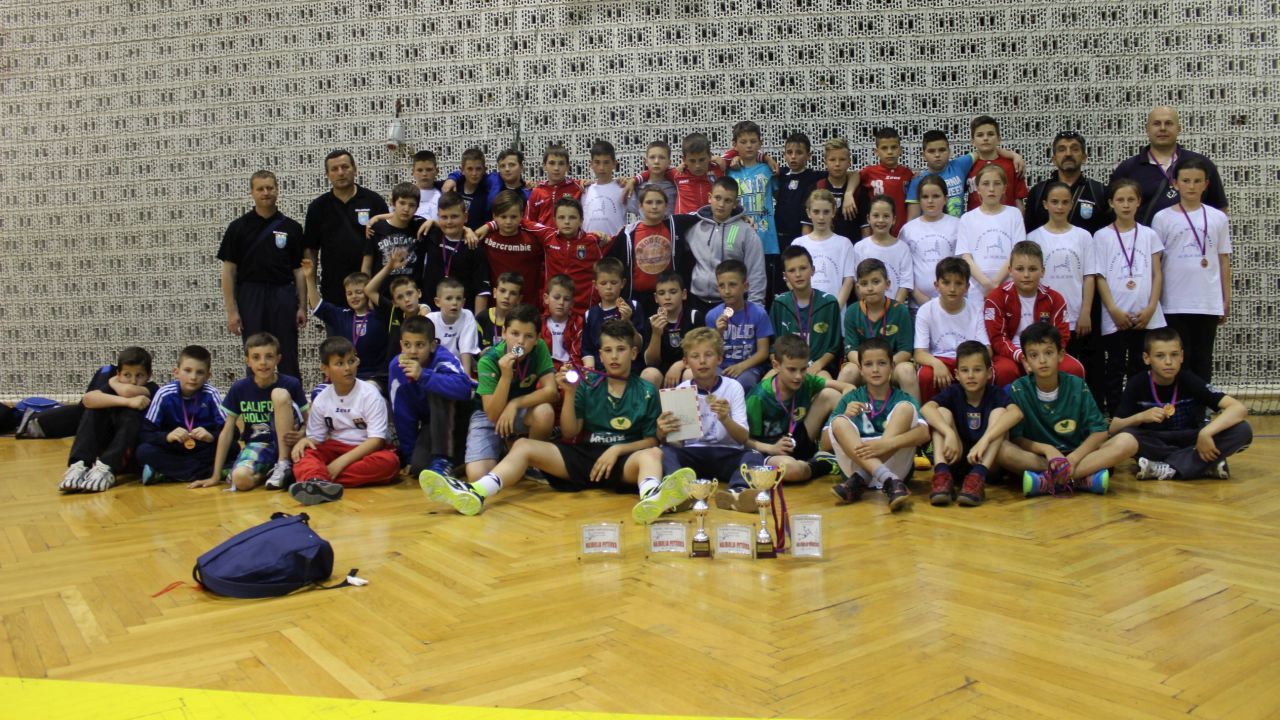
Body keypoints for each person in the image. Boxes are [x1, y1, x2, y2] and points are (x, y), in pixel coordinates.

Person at [421, 319, 660, 515]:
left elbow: (651, 440)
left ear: (633, 352)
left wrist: (616, 450)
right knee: (523, 446)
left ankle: (651, 498)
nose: (614, 356)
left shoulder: (647, 391)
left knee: (653, 454)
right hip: (587, 457)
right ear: (600, 355)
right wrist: (570, 393)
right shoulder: (588, 384)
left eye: (621, 349)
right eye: (608, 350)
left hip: (624, 461)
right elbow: (570, 432)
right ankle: (477, 492)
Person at [986, 323, 1132, 497]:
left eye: (1048, 353)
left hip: (1078, 455)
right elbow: (1017, 438)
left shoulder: (1077, 385)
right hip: (1040, 458)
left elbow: (1100, 432)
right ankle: (1079, 478)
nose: (1042, 360)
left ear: (1061, 355)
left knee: (1128, 442)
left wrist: (1073, 459)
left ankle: (1049, 480)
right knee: (1001, 449)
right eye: (1034, 355)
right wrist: (1047, 449)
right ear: (1026, 361)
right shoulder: (1019, 389)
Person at [627, 327, 755, 519]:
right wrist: (662, 432)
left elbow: (743, 438)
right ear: (686, 362)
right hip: (693, 454)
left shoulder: (733, 387)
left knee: (753, 456)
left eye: (708, 355)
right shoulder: (681, 390)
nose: (702, 361)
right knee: (665, 452)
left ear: (719, 359)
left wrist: (725, 419)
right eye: (695, 356)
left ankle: (737, 493)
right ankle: (678, 494)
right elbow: (675, 441)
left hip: (727, 453)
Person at [1108, 327, 1251, 481]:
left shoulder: (1189, 379)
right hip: (1155, 442)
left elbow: (1238, 408)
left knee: (1242, 430)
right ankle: (1202, 465)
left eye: (1174, 355)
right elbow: (1114, 427)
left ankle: (1164, 468)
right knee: (1126, 435)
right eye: (1160, 356)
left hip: (1191, 440)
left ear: (1182, 356)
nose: (1168, 362)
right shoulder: (1137, 383)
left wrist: (1206, 433)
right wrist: (1140, 417)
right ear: (1147, 358)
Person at [289, 337, 400, 505]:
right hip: (335, 448)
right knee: (304, 454)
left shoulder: (370, 395)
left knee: (390, 463)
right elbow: (316, 439)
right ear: (325, 369)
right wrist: (305, 440)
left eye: (351, 361)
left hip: (366, 450)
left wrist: (339, 464)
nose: (348, 368)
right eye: (340, 364)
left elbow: (376, 441)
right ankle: (317, 481)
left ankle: (317, 480)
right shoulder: (322, 399)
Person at [191, 333, 308, 492]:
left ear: (278, 359)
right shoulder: (239, 388)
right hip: (259, 444)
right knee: (240, 479)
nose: (263, 362)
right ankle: (270, 473)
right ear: (248, 361)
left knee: (279, 394)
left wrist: (302, 434)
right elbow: (227, 431)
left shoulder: (291, 383)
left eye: (269, 356)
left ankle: (283, 464)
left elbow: (308, 421)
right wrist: (215, 475)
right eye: (256, 357)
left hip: (288, 443)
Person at [218, 170, 306, 378]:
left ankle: (291, 395)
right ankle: (254, 395)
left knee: (287, 352)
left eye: (270, 188)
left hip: (283, 293)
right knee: (255, 351)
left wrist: (302, 306)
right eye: (260, 189)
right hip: (251, 294)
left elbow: (299, 270)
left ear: (277, 190)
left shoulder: (292, 227)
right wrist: (232, 311)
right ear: (252, 193)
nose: (265, 193)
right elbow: (229, 272)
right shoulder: (238, 228)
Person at [826, 338, 930, 511]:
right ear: (860, 369)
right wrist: (846, 416)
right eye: (868, 364)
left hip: (894, 466)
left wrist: (887, 444)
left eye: (881, 363)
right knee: (838, 421)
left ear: (892, 366)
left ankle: (863, 478)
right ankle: (888, 480)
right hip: (855, 462)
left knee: (905, 408)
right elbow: (825, 444)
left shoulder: (904, 398)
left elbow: (924, 434)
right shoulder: (850, 398)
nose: (875, 370)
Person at [1153, 157, 1231, 384]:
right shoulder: (1162, 218)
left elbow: (1223, 259)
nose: (1191, 186)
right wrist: (1155, 300)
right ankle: (1179, 402)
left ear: (1206, 184)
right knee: (1177, 360)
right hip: (1174, 302)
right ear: (1175, 183)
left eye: (1197, 181)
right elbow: (1156, 263)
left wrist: (1226, 299)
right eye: (1186, 180)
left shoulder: (1218, 218)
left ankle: (1202, 404)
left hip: (1207, 301)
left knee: (1203, 358)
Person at [1094, 178, 1166, 415]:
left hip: (1145, 315)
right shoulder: (1102, 236)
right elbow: (1099, 277)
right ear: (1111, 203)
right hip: (1116, 316)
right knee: (1115, 366)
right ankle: (1116, 414)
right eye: (1120, 200)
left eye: (1130, 200)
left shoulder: (1149, 235)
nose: (1125, 205)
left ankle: (1140, 412)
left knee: (1141, 366)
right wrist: (1113, 310)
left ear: (1139, 202)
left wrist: (1151, 308)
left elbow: (1157, 274)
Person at [462, 303, 558, 482]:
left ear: (537, 338)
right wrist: (506, 377)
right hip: (487, 415)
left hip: (519, 410)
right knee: (477, 476)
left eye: (528, 336)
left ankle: (532, 464)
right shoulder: (489, 360)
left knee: (544, 412)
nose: (520, 341)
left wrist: (514, 404)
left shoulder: (539, 348)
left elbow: (552, 392)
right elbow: (492, 414)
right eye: (515, 333)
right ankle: (506, 448)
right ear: (504, 333)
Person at [742, 334, 849, 492]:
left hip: (797, 439)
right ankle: (822, 464)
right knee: (793, 470)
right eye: (792, 369)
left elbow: (846, 387)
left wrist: (849, 396)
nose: (798, 376)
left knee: (832, 396)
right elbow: (744, 441)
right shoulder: (758, 398)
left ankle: (828, 451)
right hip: (770, 451)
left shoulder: (806, 381)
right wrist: (771, 448)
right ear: (776, 365)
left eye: (803, 369)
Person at [919, 342, 1013, 507]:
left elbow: (1016, 413)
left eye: (977, 370)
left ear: (989, 373)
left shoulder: (995, 394)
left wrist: (985, 440)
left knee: (1001, 413)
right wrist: (948, 433)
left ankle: (978, 476)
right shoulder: (953, 392)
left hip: (988, 463)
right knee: (941, 412)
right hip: (957, 458)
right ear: (956, 374)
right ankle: (942, 474)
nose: (970, 376)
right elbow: (926, 409)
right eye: (964, 370)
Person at [304, 150, 389, 326]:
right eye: (334, 169)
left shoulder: (374, 201)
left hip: (370, 288)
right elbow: (311, 250)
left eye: (345, 167)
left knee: (371, 339)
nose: (341, 172)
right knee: (337, 341)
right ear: (327, 174)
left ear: (355, 169)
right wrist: (311, 288)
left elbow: (385, 245)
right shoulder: (318, 207)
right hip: (334, 290)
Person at [984, 240, 1085, 385]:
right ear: (1010, 270)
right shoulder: (996, 297)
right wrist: (1022, 356)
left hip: (1045, 352)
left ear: (1042, 271)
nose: (1026, 275)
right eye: (1020, 269)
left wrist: (1042, 356)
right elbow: (997, 339)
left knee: (1074, 369)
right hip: (1010, 355)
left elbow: (1061, 336)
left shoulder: (1055, 299)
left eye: (1032, 269)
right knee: (1004, 371)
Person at [59, 347, 159, 493]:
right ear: (118, 374)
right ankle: (80, 464)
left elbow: (129, 391)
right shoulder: (115, 386)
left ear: (149, 375)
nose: (133, 381)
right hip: (107, 446)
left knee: (132, 413)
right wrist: (127, 401)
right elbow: (88, 400)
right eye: (127, 375)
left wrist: (115, 382)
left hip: (131, 452)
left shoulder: (152, 388)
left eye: (139, 375)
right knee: (93, 410)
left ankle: (107, 467)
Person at [1109, 106, 1229, 226]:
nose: (1162, 128)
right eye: (1156, 124)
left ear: (1178, 129)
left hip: (1192, 236)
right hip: (1145, 237)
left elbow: (1219, 208)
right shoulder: (1128, 169)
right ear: (1147, 129)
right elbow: (1113, 212)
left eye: (1168, 123)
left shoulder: (1201, 164)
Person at [389, 315, 476, 479]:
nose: (413, 351)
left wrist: (423, 376)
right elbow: (402, 415)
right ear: (401, 345)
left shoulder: (443, 359)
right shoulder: (397, 367)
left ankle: (443, 459)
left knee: (438, 387)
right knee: (419, 467)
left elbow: (465, 389)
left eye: (420, 345)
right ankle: (457, 462)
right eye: (407, 345)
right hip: (433, 425)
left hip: (461, 418)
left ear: (432, 345)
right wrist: (409, 456)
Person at [1027, 181, 1099, 370]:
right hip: (1044, 315)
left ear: (1071, 205)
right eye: (1054, 202)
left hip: (1075, 314)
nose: (1059, 207)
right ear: (1045, 204)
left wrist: (1085, 312)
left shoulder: (1083, 236)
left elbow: (1089, 276)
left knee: (1072, 367)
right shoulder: (1033, 238)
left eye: (1065, 202)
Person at [135, 346, 230, 484]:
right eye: (187, 370)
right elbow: (145, 433)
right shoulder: (164, 394)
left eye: (200, 372)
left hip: (203, 447)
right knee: (143, 451)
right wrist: (167, 436)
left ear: (208, 376)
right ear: (176, 372)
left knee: (233, 447)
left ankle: (169, 474)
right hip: (175, 448)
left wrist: (212, 436)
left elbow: (232, 432)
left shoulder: (212, 394)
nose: (193, 377)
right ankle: (209, 472)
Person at [673, 176, 767, 315]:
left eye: (728, 200)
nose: (721, 204)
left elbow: (756, 273)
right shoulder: (694, 228)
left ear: (735, 203)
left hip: (731, 303)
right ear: (709, 198)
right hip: (696, 302)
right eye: (717, 198)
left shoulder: (746, 232)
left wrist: (755, 310)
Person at [914, 258, 991, 403]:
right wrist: (936, 364)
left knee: (987, 370)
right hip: (940, 359)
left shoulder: (976, 310)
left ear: (967, 287)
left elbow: (986, 349)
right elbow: (919, 353)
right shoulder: (925, 311)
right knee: (926, 375)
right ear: (936, 285)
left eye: (959, 283)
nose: (952, 289)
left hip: (968, 360)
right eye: (946, 282)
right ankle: (929, 415)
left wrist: (967, 367)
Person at [304, 262, 388, 388]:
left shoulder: (381, 317)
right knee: (319, 391)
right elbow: (317, 305)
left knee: (367, 390)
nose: (354, 296)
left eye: (359, 292)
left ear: (368, 293)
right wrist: (309, 278)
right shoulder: (342, 315)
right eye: (349, 293)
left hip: (373, 377)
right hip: (345, 375)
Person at [839, 259, 917, 396]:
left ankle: (914, 409)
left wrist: (883, 367)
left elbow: (905, 351)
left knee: (907, 370)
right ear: (858, 287)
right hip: (863, 367)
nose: (870, 288)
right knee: (848, 371)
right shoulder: (852, 311)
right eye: (864, 283)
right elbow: (851, 350)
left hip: (892, 366)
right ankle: (839, 409)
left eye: (876, 282)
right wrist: (868, 367)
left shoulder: (900, 310)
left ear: (887, 284)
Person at [956, 164, 1026, 307]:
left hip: (1008, 284)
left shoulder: (1014, 214)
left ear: (1004, 188)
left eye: (997, 184)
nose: (992, 189)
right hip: (978, 287)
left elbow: (1017, 252)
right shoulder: (967, 218)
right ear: (978, 188)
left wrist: (996, 283)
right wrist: (986, 284)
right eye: (986, 184)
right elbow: (966, 256)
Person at [726, 120, 781, 296]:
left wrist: (767, 158)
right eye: (743, 142)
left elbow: (780, 197)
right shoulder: (729, 172)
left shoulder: (768, 170)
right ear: (735, 145)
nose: (749, 146)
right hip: (735, 239)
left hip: (766, 241)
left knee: (765, 292)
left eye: (753, 141)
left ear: (760, 143)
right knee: (737, 292)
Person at [770, 246, 842, 378]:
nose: (798, 274)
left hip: (819, 368)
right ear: (785, 276)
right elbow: (773, 346)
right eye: (792, 270)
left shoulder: (829, 303)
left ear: (813, 270)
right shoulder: (779, 304)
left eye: (803, 268)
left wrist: (818, 365)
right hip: (786, 368)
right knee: (762, 387)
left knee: (829, 388)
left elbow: (834, 347)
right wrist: (782, 368)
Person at [474, 190, 551, 308]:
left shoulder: (533, 239)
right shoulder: (486, 237)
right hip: (495, 308)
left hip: (527, 307)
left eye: (513, 217)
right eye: (503, 217)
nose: (508, 222)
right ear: (494, 216)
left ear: (522, 215)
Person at [1025, 131, 1113, 234]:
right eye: (1062, 149)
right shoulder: (1038, 192)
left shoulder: (1099, 192)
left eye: (1075, 149)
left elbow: (1109, 233)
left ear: (1084, 157)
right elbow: (1029, 232)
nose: (1068, 154)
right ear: (1054, 159)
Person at [418, 191, 491, 314]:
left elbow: (482, 290)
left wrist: (478, 322)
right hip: (431, 312)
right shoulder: (431, 234)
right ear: (438, 216)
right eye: (444, 217)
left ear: (465, 217)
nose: (449, 222)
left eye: (454, 217)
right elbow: (399, 219)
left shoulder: (473, 246)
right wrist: (432, 222)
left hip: (462, 315)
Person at [706, 259, 773, 391]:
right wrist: (718, 333)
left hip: (749, 367)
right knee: (712, 380)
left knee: (745, 382)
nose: (727, 291)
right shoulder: (712, 316)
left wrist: (741, 366)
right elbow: (709, 351)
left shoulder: (759, 314)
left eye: (732, 285)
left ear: (745, 286)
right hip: (720, 366)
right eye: (721, 286)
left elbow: (763, 352)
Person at [610, 185, 677, 316]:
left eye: (659, 202)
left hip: (666, 297)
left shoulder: (675, 227)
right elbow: (613, 261)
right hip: (637, 297)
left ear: (666, 205)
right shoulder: (628, 233)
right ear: (640, 206)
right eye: (649, 202)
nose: (654, 206)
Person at [544, 197, 613, 317]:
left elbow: (616, 241)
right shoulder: (547, 238)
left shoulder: (594, 241)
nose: (567, 222)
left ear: (581, 220)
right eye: (561, 217)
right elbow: (523, 222)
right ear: (554, 220)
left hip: (585, 312)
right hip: (554, 310)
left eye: (572, 217)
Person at [898, 174, 959, 307]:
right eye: (925, 197)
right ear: (919, 200)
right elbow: (903, 268)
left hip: (952, 303)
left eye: (936, 196)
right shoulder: (908, 230)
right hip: (917, 304)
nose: (930, 201)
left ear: (945, 199)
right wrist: (917, 295)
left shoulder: (958, 225)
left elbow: (963, 264)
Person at [582, 257, 648, 371]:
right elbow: (587, 349)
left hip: (631, 370)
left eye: (613, 283)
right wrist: (590, 370)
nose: (608, 287)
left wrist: (627, 321)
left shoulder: (633, 306)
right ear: (595, 285)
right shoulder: (590, 315)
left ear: (622, 283)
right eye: (603, 283)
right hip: (601, 372)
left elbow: (639, 345)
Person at [792, 189, 855, 306]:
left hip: (835, 311)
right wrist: (804, 307)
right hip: (806, 311)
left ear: (833, 212)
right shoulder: (798, 243)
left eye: (826, 212)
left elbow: (848, 280)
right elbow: (791, 279)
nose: (821, 217)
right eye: (816, 212)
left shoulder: (844, 244)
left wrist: (835, 309)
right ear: (808, 212)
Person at [848, 127, 914, 236]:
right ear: (876, 152)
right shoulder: (870, 172)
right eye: (884, 148)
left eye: (894, 147)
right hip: (877, 232)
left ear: (900, 150)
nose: (889, 152)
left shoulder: (907, 173)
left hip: (902, 233)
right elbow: (855, 176)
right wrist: (848, 193)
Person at [364, 250, 430, 359]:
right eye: (400, 297)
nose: (406, 299)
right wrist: (389, 267)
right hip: (392, 367)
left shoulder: (428, 316)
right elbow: (368, 290)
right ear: (395, 302)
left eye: (409, 293)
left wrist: (424, 308)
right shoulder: (393, 311)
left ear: (419, 293)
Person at [641, 271, 700, 389]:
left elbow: (700, 353)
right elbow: (651, 362)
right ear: (656, 298)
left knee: (691, 373)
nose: (667, 297)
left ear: (684, 294)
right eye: (661, 293)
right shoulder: (652, 321)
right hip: (661, 372)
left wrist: (679, 365)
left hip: (687, 366)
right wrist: (656, 334)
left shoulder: (694, 316)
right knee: (649, 374)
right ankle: (653, 402)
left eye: (673, 292)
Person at [852, 195, 912, 303]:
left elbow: (905, 283)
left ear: (893, 219)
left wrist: (894, 308)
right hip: (868, 307)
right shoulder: (860, 247)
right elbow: (857, 282)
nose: (881, 220)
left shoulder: (902, 248)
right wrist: (868, 307)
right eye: (876, 215)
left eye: (886, 216)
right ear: (868, 219)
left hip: (894, 309)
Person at [361, 182, 425, 280]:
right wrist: (366, 288)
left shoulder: (420, 226)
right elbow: (367, 266)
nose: (406, 209)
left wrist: (433, 222)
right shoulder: (376, 228)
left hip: (412, 288)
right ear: (393, 203)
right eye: (402, 203)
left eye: (412, 205)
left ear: (417, 208)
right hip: (382, 288)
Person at [965, 115, 1028, 212]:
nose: (985, 138)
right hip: (976, 220)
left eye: (990, 134)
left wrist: (1021, 220)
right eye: (980, 135)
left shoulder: (1012, 165)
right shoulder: (966, 166)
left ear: (999, 139)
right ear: (972, 141)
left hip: (1006, 219)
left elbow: (1018, 201)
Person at [774, 132, 825, 249]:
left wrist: (849, 193)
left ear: (808, 155)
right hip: (779, 235)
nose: (793, 156)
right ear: (784, 155)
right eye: (789, 152)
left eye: (799, 152)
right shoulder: (780, 174)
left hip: (801, 234)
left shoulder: (813, 176)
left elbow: (851, 175)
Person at [809, 137, 862, 240]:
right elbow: (808, 224)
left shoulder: (858, 190)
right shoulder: (816, 188)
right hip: (823, 246)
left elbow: (865, 226)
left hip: (852, 245)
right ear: (825, 163)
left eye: (842, 159)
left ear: (849, 162)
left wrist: (849, 194)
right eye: (832, 160)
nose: (837, 164)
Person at [428, 277, 481, 376]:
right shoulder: (430, 319)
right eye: (449, 298)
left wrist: (466, 378)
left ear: (463, 302)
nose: (454, 303)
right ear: (437, 302)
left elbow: (466, 348)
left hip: (460, 370)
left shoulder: (467, 316)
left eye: (458, 298)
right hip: (435, 370)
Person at [525, 145, 582, 226]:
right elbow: (529, 222)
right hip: (543, 234)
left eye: (561, 163)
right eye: (552, 163)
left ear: (567, 167)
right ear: (544, 166)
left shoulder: (578, 187)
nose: (556, 168)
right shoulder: (537, 191)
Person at [580, 139, 627, 237]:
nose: (601, 167)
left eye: (606, 162)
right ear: (591, 164)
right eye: (597, 162)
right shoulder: (584, 191)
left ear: (614, 164)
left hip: (615, 244)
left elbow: (642, 209)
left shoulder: (622, 189)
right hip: (590, 244)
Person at [540, 274, 583, 371]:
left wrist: (570, 368)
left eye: (566, 299)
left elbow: (576, 354)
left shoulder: (577, 323)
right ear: (546, 298)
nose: (561, 303)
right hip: (545, 369)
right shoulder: (539, 322)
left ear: (572, 303)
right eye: (556, 297)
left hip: (569, 369)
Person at [477, 272, 524, 353]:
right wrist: (480, 354)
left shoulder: (522, 322)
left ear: (519, 299)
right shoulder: (482, 318)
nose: (506, 296)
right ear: (495, 293)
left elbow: (522, 352)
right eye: (502, 291)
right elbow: (473, 351)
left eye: (513, 293)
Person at [411, 149, 442, 221]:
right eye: (420, 170)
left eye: (429, 170)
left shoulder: (444, 192)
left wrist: (453, 178)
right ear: (413, 172)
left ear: (437, 171)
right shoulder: (405, 195)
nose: (424, 174)